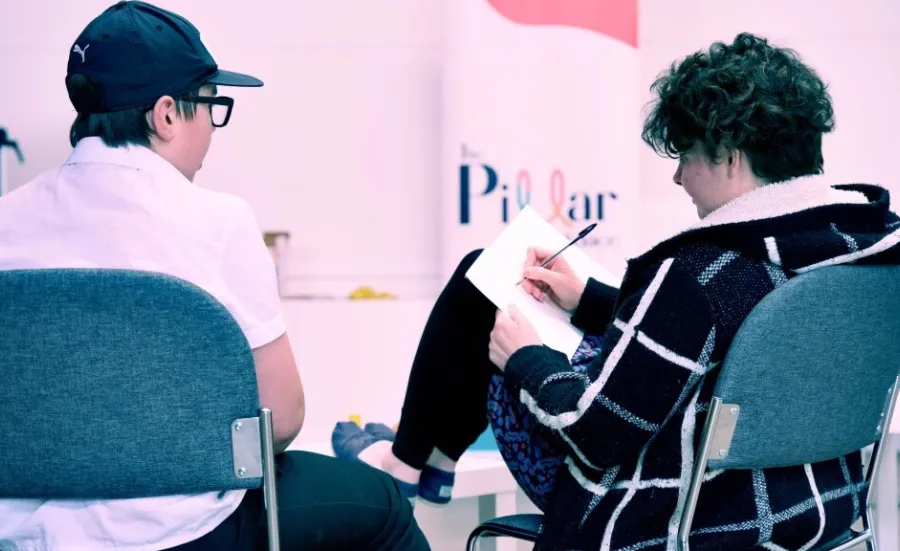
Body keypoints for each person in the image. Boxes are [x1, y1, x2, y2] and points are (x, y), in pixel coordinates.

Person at [332, 32, 900, 551]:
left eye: (685, 155)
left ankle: (407, 463)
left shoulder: (696, 275)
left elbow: (596, 439)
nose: (678, 179)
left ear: (727, 152)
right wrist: (590, 300)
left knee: (481, 279)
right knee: (492, 279)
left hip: (663, 515)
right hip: (810, 508)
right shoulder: (862, 246)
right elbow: (732, 337)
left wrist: (527, 359)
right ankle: (419, 459)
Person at [0, 2, 429, 550]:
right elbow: (280, 418)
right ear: (166, 115)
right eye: (210, 105)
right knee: (384, 506)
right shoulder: (217, 221)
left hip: (23, 534)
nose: (211, 127)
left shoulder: (6, 221)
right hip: (184, 532)